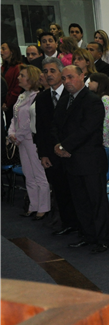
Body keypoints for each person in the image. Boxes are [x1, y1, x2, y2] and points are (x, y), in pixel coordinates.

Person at [53, 65, 109, 253]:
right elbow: (56, 126)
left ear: (82, 76)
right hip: (71, 160)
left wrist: (65, 147)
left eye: (71, 77)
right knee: (80, 202)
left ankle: (104, 239)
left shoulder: (93, 101)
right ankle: (88, 236)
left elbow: (87, 130)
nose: (67, 81)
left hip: (89, 161)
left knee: (96, 203)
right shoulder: (65, 101)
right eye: (64, 78)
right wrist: (58, 145)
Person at [35, 57, 80, 235]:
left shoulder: (72, 94)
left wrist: (67, 147)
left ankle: (81, 225)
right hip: (52, 153)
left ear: (61, 72)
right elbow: (41, 129)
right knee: (60, 190)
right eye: (45, 72)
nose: (49, 75)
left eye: (52, 71)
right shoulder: (43, 98)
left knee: (76, 191)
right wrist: (43, 154)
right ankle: (67, 223)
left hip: (72, 152)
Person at [8, 65, 49, 220]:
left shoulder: (38, 97)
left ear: (31, 78)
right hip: (21, 140)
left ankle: (44, 207)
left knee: (39, 174)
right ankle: (33, 205)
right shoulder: (22, 96)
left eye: (22, 75)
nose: (19, 78)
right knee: (28, 173)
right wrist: (11, 132)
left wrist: (17, 135)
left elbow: (29, 122)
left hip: (31, 140)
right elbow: (14, 117)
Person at [87, 73, 109, 152]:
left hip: (107, 139)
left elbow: (106, 120)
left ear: (100, 83)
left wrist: (102, 138)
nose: (89, 83)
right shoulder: (96, 98)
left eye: (92, 81)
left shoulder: (105, 98)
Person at [0, 42, 23, 123]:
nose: (0, 51)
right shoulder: (3, 67)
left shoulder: (19, 67)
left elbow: (17, 88)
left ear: (12, 51)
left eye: (3, 49)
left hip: (14, 105)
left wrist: (7, 104)